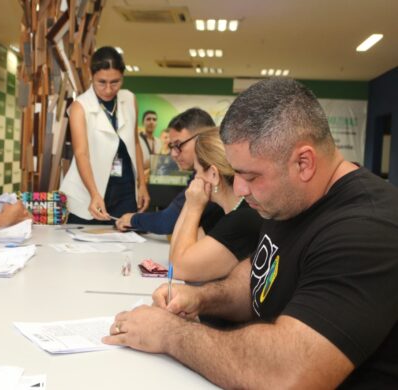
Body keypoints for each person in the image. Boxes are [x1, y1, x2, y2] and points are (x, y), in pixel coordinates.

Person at [103, 78, 398, 388]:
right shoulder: (290, 199)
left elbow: (288, 375)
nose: (240, 189)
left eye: (251, 176)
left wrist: (168, 333)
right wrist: (200, 298)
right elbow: (259, 278)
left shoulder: (367, 229)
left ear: (304, 162)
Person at [59, 46, 149, 224]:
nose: (108, 89)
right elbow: (81, 154)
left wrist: (142, 184)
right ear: (91, 76)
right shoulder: (80, 107)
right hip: (89, 189)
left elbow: (135, 144)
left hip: (124, 188)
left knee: (125, 244)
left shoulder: (129, 99)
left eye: (115, 82)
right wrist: (94, 193)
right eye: (102, 82)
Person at [170, 127, 262, 282]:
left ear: (213, 174)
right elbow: (175, 254)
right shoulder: (222, 211)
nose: (196, 179)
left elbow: (178, 268)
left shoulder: (243, 218)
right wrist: (191, 202)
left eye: (197, 171)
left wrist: (193, 207)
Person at [116, 108, 223, 234]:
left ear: (202, 139)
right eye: (171, 146)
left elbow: (167, 221)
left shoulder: (208, 177)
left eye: (178, 145)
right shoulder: (199, 174)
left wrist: (132, 219)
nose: (173, 154)